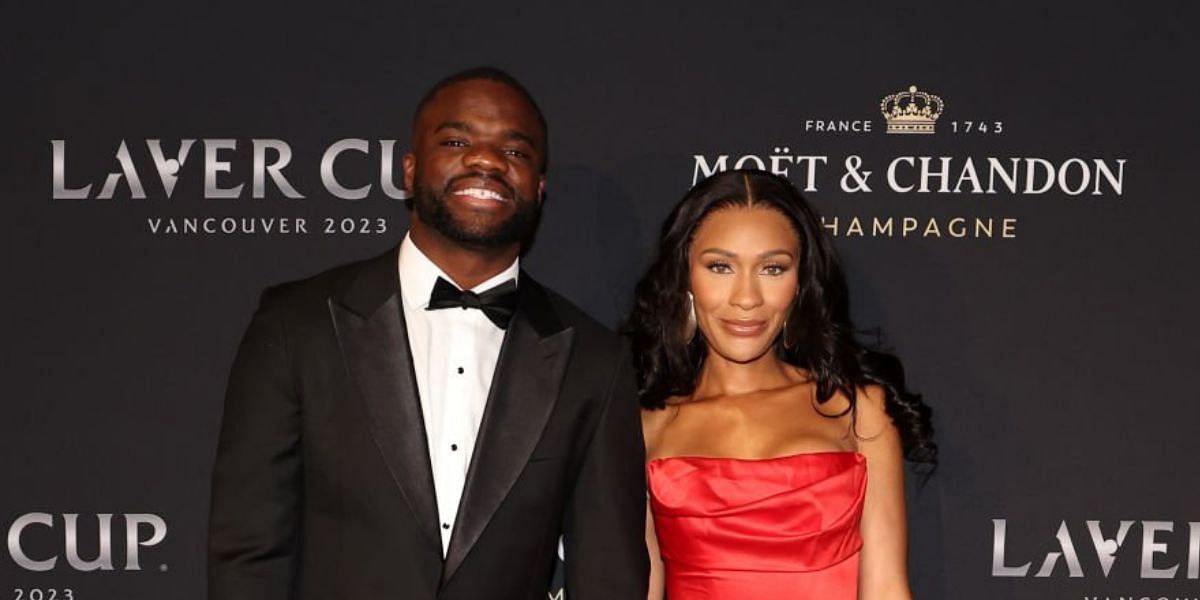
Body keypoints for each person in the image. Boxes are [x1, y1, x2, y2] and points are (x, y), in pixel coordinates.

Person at [208, 67, 648, 600]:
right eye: (458, 141)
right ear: (410, 171)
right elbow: (249, 554)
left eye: (515, 152)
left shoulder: (594, 362)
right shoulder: (297, 325)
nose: (486, 160)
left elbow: (608, 576)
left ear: (539, 188)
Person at [628, 169, 936, 600]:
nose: (747, 297)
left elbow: (886, 589)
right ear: (684, 279)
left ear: (800, 284)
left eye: (772, 268)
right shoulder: (644, 426)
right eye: (720, 266)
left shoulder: (858, 409)